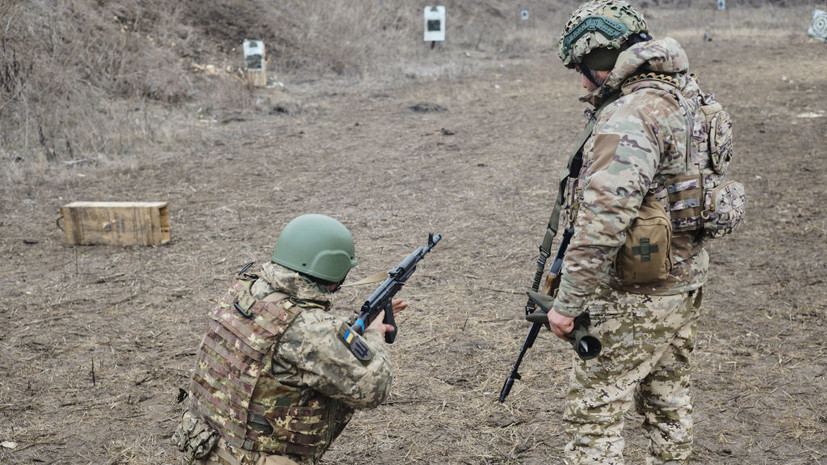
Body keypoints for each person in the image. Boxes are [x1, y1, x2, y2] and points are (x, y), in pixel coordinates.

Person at [540, 1, 721, 463]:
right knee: (669, 405)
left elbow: (604, 219)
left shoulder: (631, 113)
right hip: (684, 283)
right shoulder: (686, 95)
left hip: (635, 293)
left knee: (594, 416)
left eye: (585, 67)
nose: (582, 81)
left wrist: (568, 304)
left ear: (603, 58)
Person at [173, 213, 407, 465]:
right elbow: (374, 387)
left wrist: (352, 327)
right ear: (335, 271)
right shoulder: (308, 328)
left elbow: (291, 339)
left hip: (205, 448)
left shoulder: (243, 292)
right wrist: (373, 334)